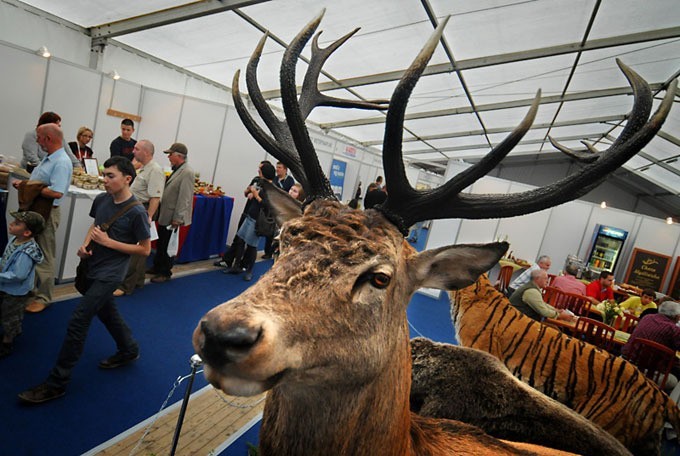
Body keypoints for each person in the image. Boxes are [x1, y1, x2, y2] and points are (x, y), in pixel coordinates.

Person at [18, 157, 150, 404]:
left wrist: (109, 243)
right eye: (105, 175)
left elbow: (144, 249)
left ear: (127, 179)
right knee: (107, 313)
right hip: (92, 267)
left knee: (79, 320)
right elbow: (96, 225)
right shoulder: (101, 199)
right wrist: (85, 245)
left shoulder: (137, 212)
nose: (105, 180)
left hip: (110, 275)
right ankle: (129, 349)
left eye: (111, 176)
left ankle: (57, 382)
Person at [15, 123, 74, 313]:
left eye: (39, 137)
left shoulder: (61, 162)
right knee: (31, 251)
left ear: (48, 139)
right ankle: (32, 290)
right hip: (39, 210)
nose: (37, 140)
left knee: (45, 256)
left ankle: (44, 297)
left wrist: (28, 187)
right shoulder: (50, 158)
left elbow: (56, 192)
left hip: (47, 213)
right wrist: (27, 185)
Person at [115, 140, 164, 296]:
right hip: (137, 209)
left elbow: (155, 197)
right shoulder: (144, 168)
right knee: (139, 248)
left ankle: (125, 286)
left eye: (137, 149)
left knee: (135, 250)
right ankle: (138, 280)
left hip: (142, 211)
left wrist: (148, 217)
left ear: (146, 152)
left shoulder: (155, 170)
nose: (133, 151)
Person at [0, 211, 45, 358]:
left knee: (10, 315)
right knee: (7, 311)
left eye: (17, 224)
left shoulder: (27, 252)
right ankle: (13, 329)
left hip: (15, 291)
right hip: (4, 285)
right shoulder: (14, 239)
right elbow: (6, 258)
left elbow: (18, 275)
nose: (12, 224)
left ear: (27, 232)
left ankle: (7, 342)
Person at [149, 143, 194, 283]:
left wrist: (178, 218)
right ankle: (157, 267)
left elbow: (185, 197)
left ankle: (165, 272)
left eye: (170, 154)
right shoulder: (178, 169)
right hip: (166, 213)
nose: (168, 157)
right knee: (162, 242)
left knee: (168, 244)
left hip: (173, 216)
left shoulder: (187, 172)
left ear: (179, 156)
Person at [224, 162, 276, 281]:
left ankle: (249, 271)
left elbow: (267, 206)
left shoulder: (272, 188)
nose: (258, 171)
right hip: (249, 215)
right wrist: (249, 191)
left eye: (260, 169)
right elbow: (247, 193)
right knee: (241, 240)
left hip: (258, 220)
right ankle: (236, 266)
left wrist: (256, 195)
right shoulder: (258, 181)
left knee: (252, 246)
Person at [621, 301, 680, 391]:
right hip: (648, 373)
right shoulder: (675, 330)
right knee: (675, 381)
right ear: (676, 316)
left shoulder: (647, 317)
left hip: (624, 361)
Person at [509, 269, 574, 322]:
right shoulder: (532, 291)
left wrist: (555, 310)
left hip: (521, 319)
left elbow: (542, 304)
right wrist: (560, 315)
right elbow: (543, 311)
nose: (547, 282)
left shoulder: (532, 288)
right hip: (518, 321)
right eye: (545, 279)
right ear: (537, 279)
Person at [263, 161, 295, 259]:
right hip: (273, 208)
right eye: (277, 167)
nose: (277, 169)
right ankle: (267, 251)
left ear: (285, 170)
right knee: (270, 231)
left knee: (279, 232)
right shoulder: (274, 179)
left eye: (280, 167)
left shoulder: (290, 181)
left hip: (284, 211)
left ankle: (277, 249)